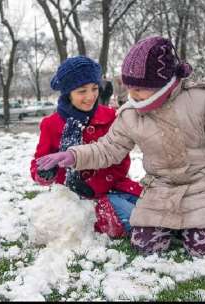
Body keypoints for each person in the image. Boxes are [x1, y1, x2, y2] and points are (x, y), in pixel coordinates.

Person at [36, 36, 205, 257]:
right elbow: (108, 149)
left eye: (139, 88)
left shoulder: (202, 102)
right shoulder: (130, 114)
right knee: (145, 245)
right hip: (161, 186)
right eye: (129, 87)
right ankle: (178, 224)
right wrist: (73, 156)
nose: (132, 94)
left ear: (162, 82)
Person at [30, 56, 143, 238]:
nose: (90, 96)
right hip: (75, 200)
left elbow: (120, 160)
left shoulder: (110, 116)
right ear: (68, 93)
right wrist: (44, 173)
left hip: (114, 187)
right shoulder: (51, 124)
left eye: (95, 88)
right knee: (138, 219)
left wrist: (94, 185)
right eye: (82, 91)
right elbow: (38, 164)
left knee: (151, 207)